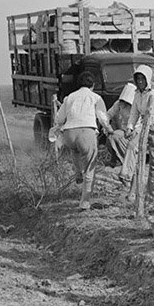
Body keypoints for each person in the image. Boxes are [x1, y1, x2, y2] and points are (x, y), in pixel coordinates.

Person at [55, 70, 111, 210]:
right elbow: (103, 118)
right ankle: (84, 202)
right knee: (90, 168)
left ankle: (77, 171)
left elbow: (59, 119)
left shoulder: (69, 98)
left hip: (69, 133)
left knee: (75, 150)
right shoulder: (96, 98)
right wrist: (109, 129)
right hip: (86, 132)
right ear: (93, 85)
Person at [125, 63, 154, 205]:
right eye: (138, 79)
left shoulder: (153, 95)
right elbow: (134, 113)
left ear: (147, 79)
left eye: (142, 79)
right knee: (138, 158)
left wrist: (138, 129)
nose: (140, 82)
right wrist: (130, 127)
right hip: (144, 127)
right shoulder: (137, 95)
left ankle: (152, 197)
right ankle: (136, 193)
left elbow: (151, 116)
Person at [106, 81, 137, 175]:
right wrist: (106, 125)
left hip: (135, 131)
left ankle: (129, 161)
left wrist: (132, 130)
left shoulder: (136, 105)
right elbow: (108, 114)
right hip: (124, 130)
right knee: (112, 137)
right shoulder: (119, 104)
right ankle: (116, 158)